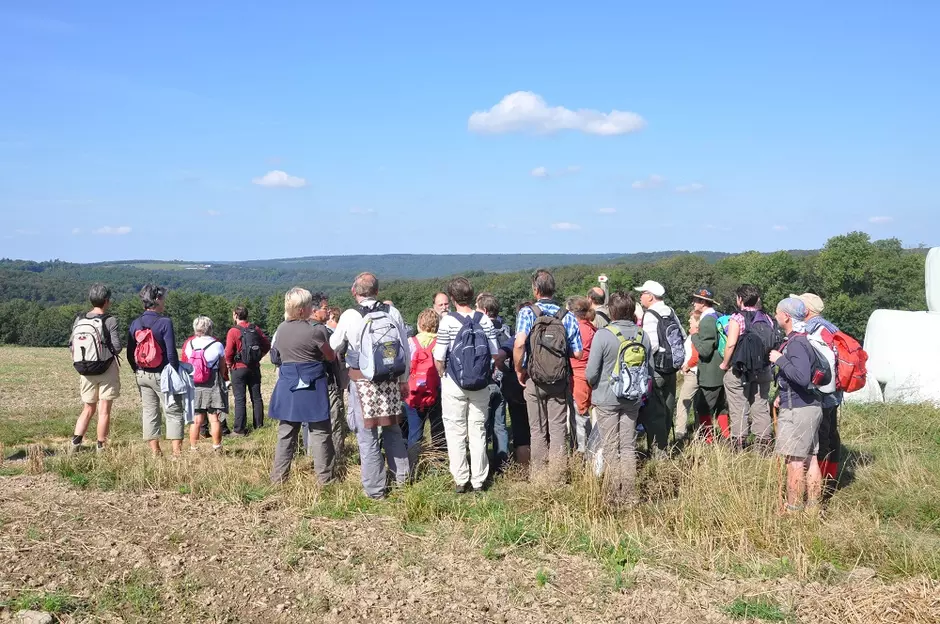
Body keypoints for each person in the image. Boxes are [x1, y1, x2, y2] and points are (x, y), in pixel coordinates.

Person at [330, 273, 411, 499]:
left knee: (367, 437)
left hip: (362, 380)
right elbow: (405, 348)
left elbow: (335, 344)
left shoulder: (350, 315)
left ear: (354, 292)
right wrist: (404, 380)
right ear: (377, 290)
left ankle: (375, 490)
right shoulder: (391, 312)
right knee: (393, 430)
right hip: (391, 379)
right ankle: (402, 481)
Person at [513, 269, 583, 484]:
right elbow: (578, 352)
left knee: (537, 429)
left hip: (534, 378)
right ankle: (558, 478)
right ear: (553, 290)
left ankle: (539, 478)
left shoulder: (527, 313)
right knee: (558, 428)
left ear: (536, 290)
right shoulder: (567, 316)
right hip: (559, 380)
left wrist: (519, 369)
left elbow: (518, 344)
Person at [434, 277, 503, 493]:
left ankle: (461, 479)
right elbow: (495, 353)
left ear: (452, 298)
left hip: (454, 382)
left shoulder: (447, 322)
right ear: (472, 296)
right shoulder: (484, 320)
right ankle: (479, 479)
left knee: (455, 430)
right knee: (478, 430)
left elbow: (439, 357)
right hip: (481, 384)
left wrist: (443, 374)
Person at [585, 291, 652, 507]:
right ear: (632, 310)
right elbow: (648, 369)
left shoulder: (603, 335)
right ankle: (630, 495)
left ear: (611, 310)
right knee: (628, 446)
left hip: (606, 398)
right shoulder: (643, 335)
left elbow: (591, 373)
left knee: (611, 445)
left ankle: (614, 494)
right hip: (632, 398)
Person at [269, 288, 336, 484]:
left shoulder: (281, 329)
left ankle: (278, 479)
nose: (310, 308)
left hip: (289, 385)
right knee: (320, 432)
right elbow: (330, 356)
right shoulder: (315, 331)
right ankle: (325, 480)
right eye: (308, 305)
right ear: (300, 310)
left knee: (286, 433)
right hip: (313, 386)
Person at [769, 297, 823, 513]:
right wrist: (783, 392)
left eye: (777, 313)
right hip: (808, 406)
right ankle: (812, 509)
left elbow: (801, 377)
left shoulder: (796, 343)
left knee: (795, 461)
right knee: (811, 458)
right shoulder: (805, 339)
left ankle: (793, 509)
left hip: (798, 411)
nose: (775, 316)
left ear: (786, 317)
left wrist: (779, 359)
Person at [127, 284, 185, 457]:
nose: (164, 302)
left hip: (142, 375)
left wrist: (137, 370)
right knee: (173, 411)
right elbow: (171, 353)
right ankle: (176, 453)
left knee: (149, 412)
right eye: (163, 298)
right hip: (163, 374)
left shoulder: (136, 323)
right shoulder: (164, 322)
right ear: (156, 299)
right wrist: (175, 372)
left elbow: (130, 352)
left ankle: (155, 452)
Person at [719, 284, 775, 451]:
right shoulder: (767, 318)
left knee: (738, 407)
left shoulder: (737, 318)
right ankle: (763, 445)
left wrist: (725, 363)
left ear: (740, 299)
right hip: (763, 368)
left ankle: (739, 444)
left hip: (740, 370)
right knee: (760, 406)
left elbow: (731, 344)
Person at [797, 292, 842, 494]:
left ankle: (821, 485)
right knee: (832, 433)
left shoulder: (811, 330)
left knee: (820, 438)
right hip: (835, 390)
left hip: (821, 391)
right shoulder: (831, 327)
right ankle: (832, 479)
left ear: (805, 310)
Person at [69, 283, 121, 452]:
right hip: (106, 368)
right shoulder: (110, 320)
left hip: (85, 368)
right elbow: (117, 347)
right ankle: (101, 446)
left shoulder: (79, 319)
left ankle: (75, 443)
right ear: (107, 301)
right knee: (104, 410)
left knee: (88, 408)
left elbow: (71, 344)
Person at [634, 280, 684, 455]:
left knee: (654, 411)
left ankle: (658, 451)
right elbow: (682, 335)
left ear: (650, 296)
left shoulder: (650, 315)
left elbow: (651, 345)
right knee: (668, 408)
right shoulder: (670, 311)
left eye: (642, 293)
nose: (640, 296)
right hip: (672, 368)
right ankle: (666, 445)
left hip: (657, 369)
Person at [403, 308, 446, 466]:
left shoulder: (410, 342)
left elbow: (405, 367)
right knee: (438, 429)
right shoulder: (441, 341)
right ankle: (440, 464)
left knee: (414, 433)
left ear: (419, 324)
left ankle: (412, 467)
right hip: (437, 391)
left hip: (413, 393)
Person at [182, 316, 228, 453]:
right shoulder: (217, 345)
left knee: (196, 420)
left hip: (194, 383)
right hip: (212, 382)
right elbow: (222, 367)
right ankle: (216, 447)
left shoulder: (190, 345)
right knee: (214, 418)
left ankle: (193, 448)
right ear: (210, 328)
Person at [224, 306, 271, 436]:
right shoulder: (255, 328)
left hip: (238, 368)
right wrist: (259, 356)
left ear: (235, 315)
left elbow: (228, 351)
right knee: (257, 398)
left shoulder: (233, 331)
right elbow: (267, 344)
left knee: (240, 399)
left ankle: (239, 430)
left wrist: (229, 364)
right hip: (254, 367)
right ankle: (259, 426)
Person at [477, 293, 510, 472]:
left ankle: (483, 464)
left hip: (485, 382)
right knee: (500, 425)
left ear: (484, 310)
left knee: (482, 426)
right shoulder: (505, 328)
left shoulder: (480, 328)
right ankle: (502, 462)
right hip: (502, 381)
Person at [689, 288, 727, 442]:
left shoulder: (706, 320)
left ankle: (708, 440)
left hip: (711, 373)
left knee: (703, 406)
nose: (694, 303)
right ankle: (727, 437)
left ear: (703, 303)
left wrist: (694, 335)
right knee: (722, 407)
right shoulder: (717, 316)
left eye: (696, 300)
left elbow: (705, 350)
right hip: (721, 370)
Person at [568, 296, 596, 453]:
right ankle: (588, 448)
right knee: (583, 415)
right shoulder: (591, 328)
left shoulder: (578, 329)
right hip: (588, 377)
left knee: (580, 417)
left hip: (578, 377)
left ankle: (582, 452)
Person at [674, 309, 700, 443]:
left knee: (683, 402)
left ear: (698, 322)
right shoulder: (697, 335)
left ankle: (680, 431)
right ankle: (699, 429)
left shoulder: (696, 336)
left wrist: (687, 366)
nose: (689, 321)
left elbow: (696, 356)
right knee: (698, 404)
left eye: (692, 319)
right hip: (695, 373)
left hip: (692, 373)